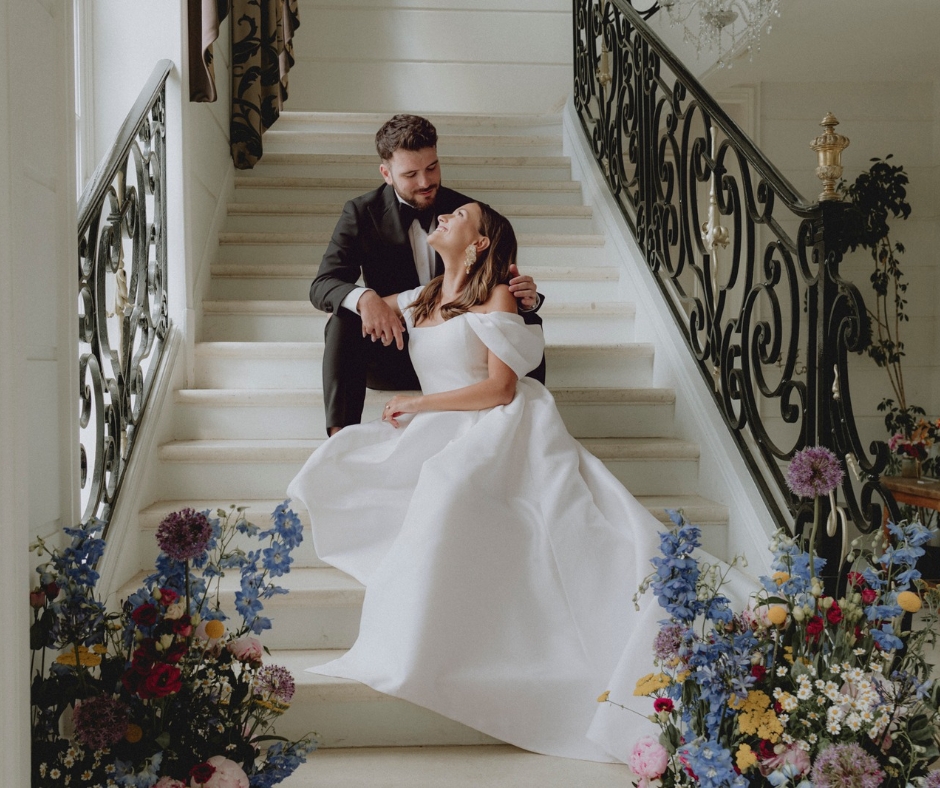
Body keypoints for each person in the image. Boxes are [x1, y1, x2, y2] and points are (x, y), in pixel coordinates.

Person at [287, 201, 689, 763]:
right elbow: (345, 303)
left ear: (478, 245)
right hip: (443, 422)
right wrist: (364, 297)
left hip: (499, 421)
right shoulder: (422, 297)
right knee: (346, 463)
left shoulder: (496, 294)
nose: (444, 218)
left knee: (453, 488)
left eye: (458, 219)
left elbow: (502, 389)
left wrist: (419, 404)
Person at [309, 114, 545, 436]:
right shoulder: (362, 213)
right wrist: (366, 298)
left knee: (527, 319)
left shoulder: (464, 212)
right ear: (387, 174)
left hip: (463, 351)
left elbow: (492, 279)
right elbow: (324, 284)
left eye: (432, 167)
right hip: (396, 346)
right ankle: (339, 435)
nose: (425, 182)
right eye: (410, 174)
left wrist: (525, 297)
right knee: (343, 318)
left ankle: (525, 424)